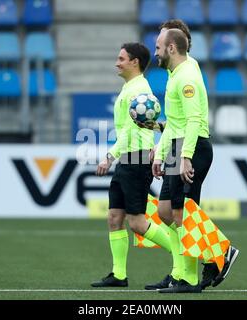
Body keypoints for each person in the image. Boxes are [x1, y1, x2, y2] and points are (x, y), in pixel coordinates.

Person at [148, 29, 239, 293]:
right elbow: (174, 120)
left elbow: (191, 120)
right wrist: (162, 151)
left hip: (192, 147)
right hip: (178, 146)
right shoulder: (175, 75)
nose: (155, 53)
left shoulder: (187, 76)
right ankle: (199, 264)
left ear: (172, 48)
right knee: (166, 211)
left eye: (158, 47)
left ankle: (199, 268)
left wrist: (185, 156)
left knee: (181, 212)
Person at [91, 43, 172, 287]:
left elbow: (130, 130)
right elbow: (132, 128)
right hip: (129, 158)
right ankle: (119, 275)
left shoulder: (139, 90)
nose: (117, 62)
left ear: (134, 62)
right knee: (115, 217)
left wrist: (109, 156)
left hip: (136, 159)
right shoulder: (131, 88)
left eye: (121, 58)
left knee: (137, 222)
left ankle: (184, 253)